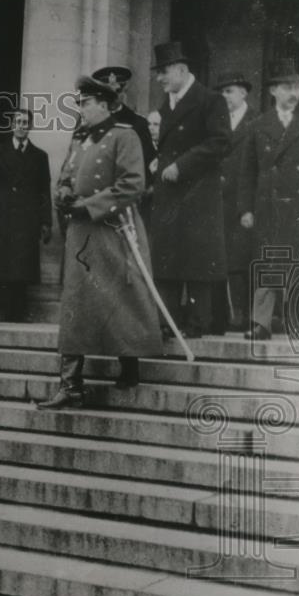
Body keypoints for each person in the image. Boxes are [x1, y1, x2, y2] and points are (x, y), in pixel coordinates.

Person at [38, 76, 162, 409]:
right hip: (81, 233)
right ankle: (70, 383)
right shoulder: (80, 139)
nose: (80, 109)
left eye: (85, 103)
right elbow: (66, 174)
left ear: (104, 105)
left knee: (122, 295)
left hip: (113, 228)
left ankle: (129, 366)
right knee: (76, 300)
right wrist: (63, 194)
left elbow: (132, 184)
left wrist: (88, 205)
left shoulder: (125, 136)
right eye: (79, 103)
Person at [149, 41, 230, 339]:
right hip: (171, 194)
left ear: (182, 70)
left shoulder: (210, 100)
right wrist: (159, 161)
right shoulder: (167, 105)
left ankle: (197, 324)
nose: (159, 78)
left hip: (198, 193)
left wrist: (181, 165)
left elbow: (220, 142)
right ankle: (167, 323)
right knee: (168, 258)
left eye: (164, 72)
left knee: (198, 260)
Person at [238, 59, 299, 341]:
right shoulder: (257, 125)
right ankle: (262, 323)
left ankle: (298, 321)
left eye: (297, 87)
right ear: (273, 92)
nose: (294, 92)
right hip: (267, 205)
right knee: (267, 262)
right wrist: (245, 209)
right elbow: (247, 172)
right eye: (288, 87)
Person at [0, 109, 52, 322]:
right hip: (2, 215)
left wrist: (46, 221)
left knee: (22, 265)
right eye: (18, 121)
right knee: (2, 262)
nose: (22, 126)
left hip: (27, 217)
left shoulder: (40, 156)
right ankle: (1, 308)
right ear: (12, 125)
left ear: (30, 126)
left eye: (25, 122)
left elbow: (44, 190)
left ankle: (20, 310)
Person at [213, 71, 260, 333]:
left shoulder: (257, 121)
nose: (225, 97)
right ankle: (220, 316)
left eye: (229, 91)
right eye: (222, 92)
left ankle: (243, 315)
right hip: (218, 200)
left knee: (242, 258)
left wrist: (249, 205)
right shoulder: (217, 121)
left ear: (243, 93)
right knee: (220, 258)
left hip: (243, 201)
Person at [91, 66, 158, 224]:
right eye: (108, 94)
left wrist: (141, 191)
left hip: (127, 202)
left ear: (124, 91)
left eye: (117, 93)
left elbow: (148, 161)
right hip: (95, 200)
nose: (113, 98)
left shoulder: (138, 123)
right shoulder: (90, 122)